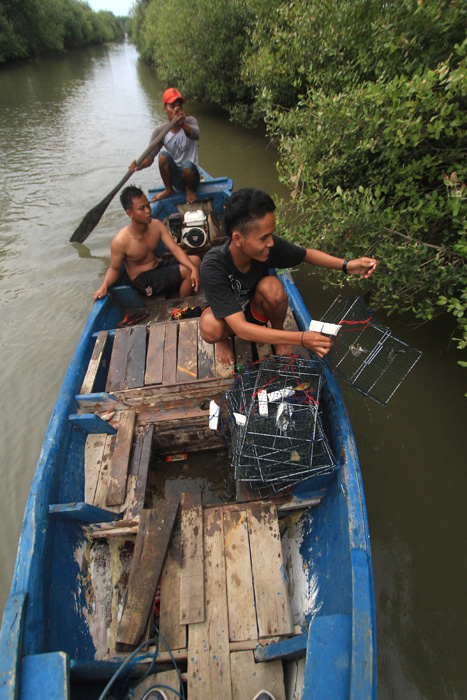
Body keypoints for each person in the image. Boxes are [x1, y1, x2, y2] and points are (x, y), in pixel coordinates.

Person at [200, 187, 377, 365]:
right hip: (228, 321)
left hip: (254, 309)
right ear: (237, 239)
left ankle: (279, 334)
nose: (270, 242)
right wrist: (301, 338)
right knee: (210, 327)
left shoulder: (268, 247)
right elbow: (241, 329)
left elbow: (305, 254)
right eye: (263, 238)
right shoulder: (214, 265)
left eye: (271, 234)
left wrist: (347, 265)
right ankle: (222, 342)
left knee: (273, 286)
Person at [93, 185, 200, 302]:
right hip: (143, 281)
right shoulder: (120, 241)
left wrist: (193, 268)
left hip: (157, 267)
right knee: (188, 271)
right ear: (130, 213)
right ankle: (182, 304)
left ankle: (182, 287)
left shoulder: (156, 225)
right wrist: (104, 286)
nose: (148, 211)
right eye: (142, 208)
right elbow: (114, 269)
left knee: (196, 261)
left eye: (148, 205)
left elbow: (175, 249)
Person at [128, 88, 200, 204]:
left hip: (192, 177)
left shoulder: (190, 121)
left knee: (187, 166)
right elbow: (149, 157)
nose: (177, 109)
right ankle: (169, 190)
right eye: (172, 106)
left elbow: (196, 135)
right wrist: (138, 165)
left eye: (179, 106)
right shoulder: (161, 131)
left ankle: (189, 189)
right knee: (162, 156)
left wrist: (182, 124)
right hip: (176, 176)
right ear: (165, 109)